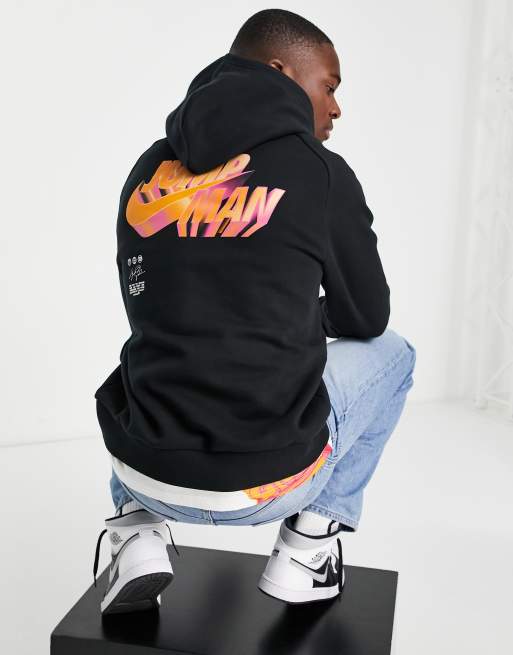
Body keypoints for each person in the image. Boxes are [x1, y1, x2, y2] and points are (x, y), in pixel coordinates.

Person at [92, 9, 416, 615]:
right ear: (280, 71)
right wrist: (308, 318)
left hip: (144, 470)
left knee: (153, 346)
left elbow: (152, 304)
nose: (336, 108)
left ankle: (133, 535)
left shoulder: (149, 166)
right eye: (329, 86)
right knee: (395, 354)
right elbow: (367, 318)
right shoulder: (320, 173)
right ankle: (307, 550)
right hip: (266, 485)